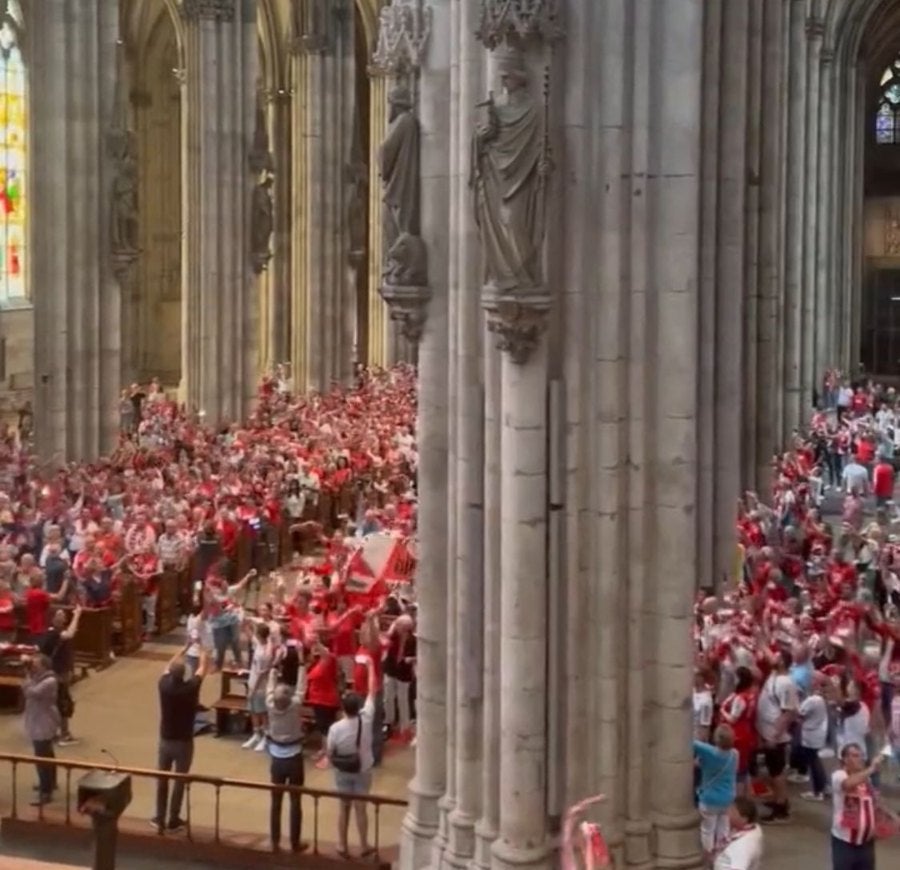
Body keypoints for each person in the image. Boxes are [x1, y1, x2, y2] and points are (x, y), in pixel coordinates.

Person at [154, 644, 208, 833]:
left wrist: (183, 649)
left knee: (162, 778)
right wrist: (202, 653)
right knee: (180, 780)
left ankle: (159, 817)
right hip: (184, 741)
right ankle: (173, 818)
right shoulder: (190, 689)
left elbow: (168, 666)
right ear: (184, 674)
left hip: (165, 739)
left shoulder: (163, 685)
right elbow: (202, 670)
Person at [327, 657, 377, 859]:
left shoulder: (336, 728)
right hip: (363, 769)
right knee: (361, 809)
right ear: (358, 707)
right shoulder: (366, 719)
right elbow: (372, 691)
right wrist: (372, 667)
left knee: (343, 808)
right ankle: (364, 844)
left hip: (342, 771)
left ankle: (341, 844)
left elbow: (330, 752)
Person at [265, 653, 308, 854]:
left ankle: (274, 841)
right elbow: (302, 687)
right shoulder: (295, 706)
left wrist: (274, 668)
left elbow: (269, 688)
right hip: (294, 756)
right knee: (295, 801)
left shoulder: (270, 706)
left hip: (276, 757)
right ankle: (295, 842)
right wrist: (301, 663)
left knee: (276, 802)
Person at [754, 649, 798, 822]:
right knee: (773, 771)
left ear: (781, 662)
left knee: (777, 772)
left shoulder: (786, 683)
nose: (772, 657)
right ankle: (777, 799)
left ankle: (782, 808)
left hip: (775, 736)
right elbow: (764, 650)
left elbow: (788, 713)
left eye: (776, 656)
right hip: (767, 732)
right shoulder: (774, 674)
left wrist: (774, 736)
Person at [831, 743, 884, 870]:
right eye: (855, 755)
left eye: (861, 756)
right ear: (844, 759)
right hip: (845, 842)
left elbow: (873, 804)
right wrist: (872, 768)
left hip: (866, 843)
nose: (860, 759)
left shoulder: (866, 780)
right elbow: (848, 784)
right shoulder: (839, 775)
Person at [693, 725, 739, 860]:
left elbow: (690, 742)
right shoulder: (735, 754)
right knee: (723, 829)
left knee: (707, 830)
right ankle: (722, 856)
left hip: (709, 798)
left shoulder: (709, 752)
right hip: (728, 798)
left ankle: (709, 857)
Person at [38, 605, 82, 746]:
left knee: (57, 703)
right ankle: (64, 735)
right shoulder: (53, 634)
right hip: (57, 673)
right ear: (52, 618)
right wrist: (77, 615)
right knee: (63, 703)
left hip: (58, 671)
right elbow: (70, 634)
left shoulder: (53, 632)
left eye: (63, 614)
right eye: (59, 614)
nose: (63, 617)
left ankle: (53, 733)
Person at [22, 653, 61, 806]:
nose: (33, 667)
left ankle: (46, 792)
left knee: (41, 758)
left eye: (36, 664)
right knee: (48, 754)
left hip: (44, 722)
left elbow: (32, 693)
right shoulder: (39, 677)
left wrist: (26, 678)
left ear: (44, 666)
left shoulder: (49, 680)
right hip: (38, 719)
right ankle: (51, 782)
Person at [713, 796, 763, 870]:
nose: (727, 813)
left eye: (733, 811)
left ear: (744, 819)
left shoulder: (741, 845)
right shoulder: (754, 828)